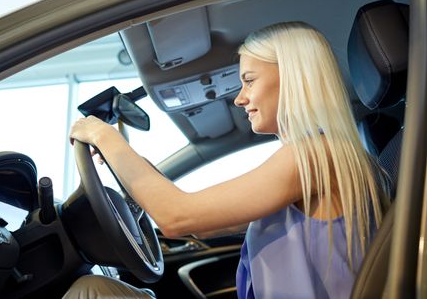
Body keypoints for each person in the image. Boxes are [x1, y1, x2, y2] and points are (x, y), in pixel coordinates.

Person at [65, 22, 389, 299]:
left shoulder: (313, 155)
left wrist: (103, 136)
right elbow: (206, 226)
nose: (239, 97)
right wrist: (127, 162)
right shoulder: (327, 155)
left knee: (91, 290)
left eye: (249, 80)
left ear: (292, 77)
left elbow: (176, 217)